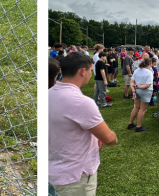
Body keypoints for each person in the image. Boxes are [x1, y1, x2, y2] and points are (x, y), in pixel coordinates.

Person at [49, 52, 117, 196]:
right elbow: (109, 139)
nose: (91, 75)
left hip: (55, 168)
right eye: (91, 71)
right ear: (82, 71)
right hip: (76, 176)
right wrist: (111, 137)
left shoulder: (49, 93)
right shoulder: (81, 102)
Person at [128, 56, 155, 133]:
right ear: (149, 64)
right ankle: (138, 127)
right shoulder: (149, 72)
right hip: (145, 91)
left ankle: (130, 123)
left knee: (136, 107)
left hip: (137, 91)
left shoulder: (137, 70)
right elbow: (147, 85)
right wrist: (137, 87)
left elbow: (132, 82)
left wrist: (134, 91)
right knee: (142, 109)